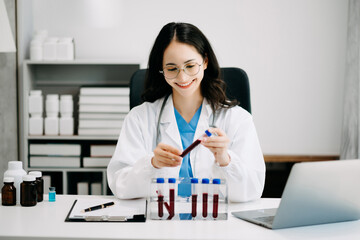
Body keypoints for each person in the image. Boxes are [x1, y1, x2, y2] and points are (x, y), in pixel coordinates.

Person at [107, 22, 265, 202]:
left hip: (215, 226)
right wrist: (152, 165)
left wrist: (225, 160)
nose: (182, 78)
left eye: (190, 66)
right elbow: (120, 184)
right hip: (159, 226)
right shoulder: (139, 118)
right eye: (172, 69)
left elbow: (253, 190)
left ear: (205, 61)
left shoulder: (237, 119)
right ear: (162, 69)